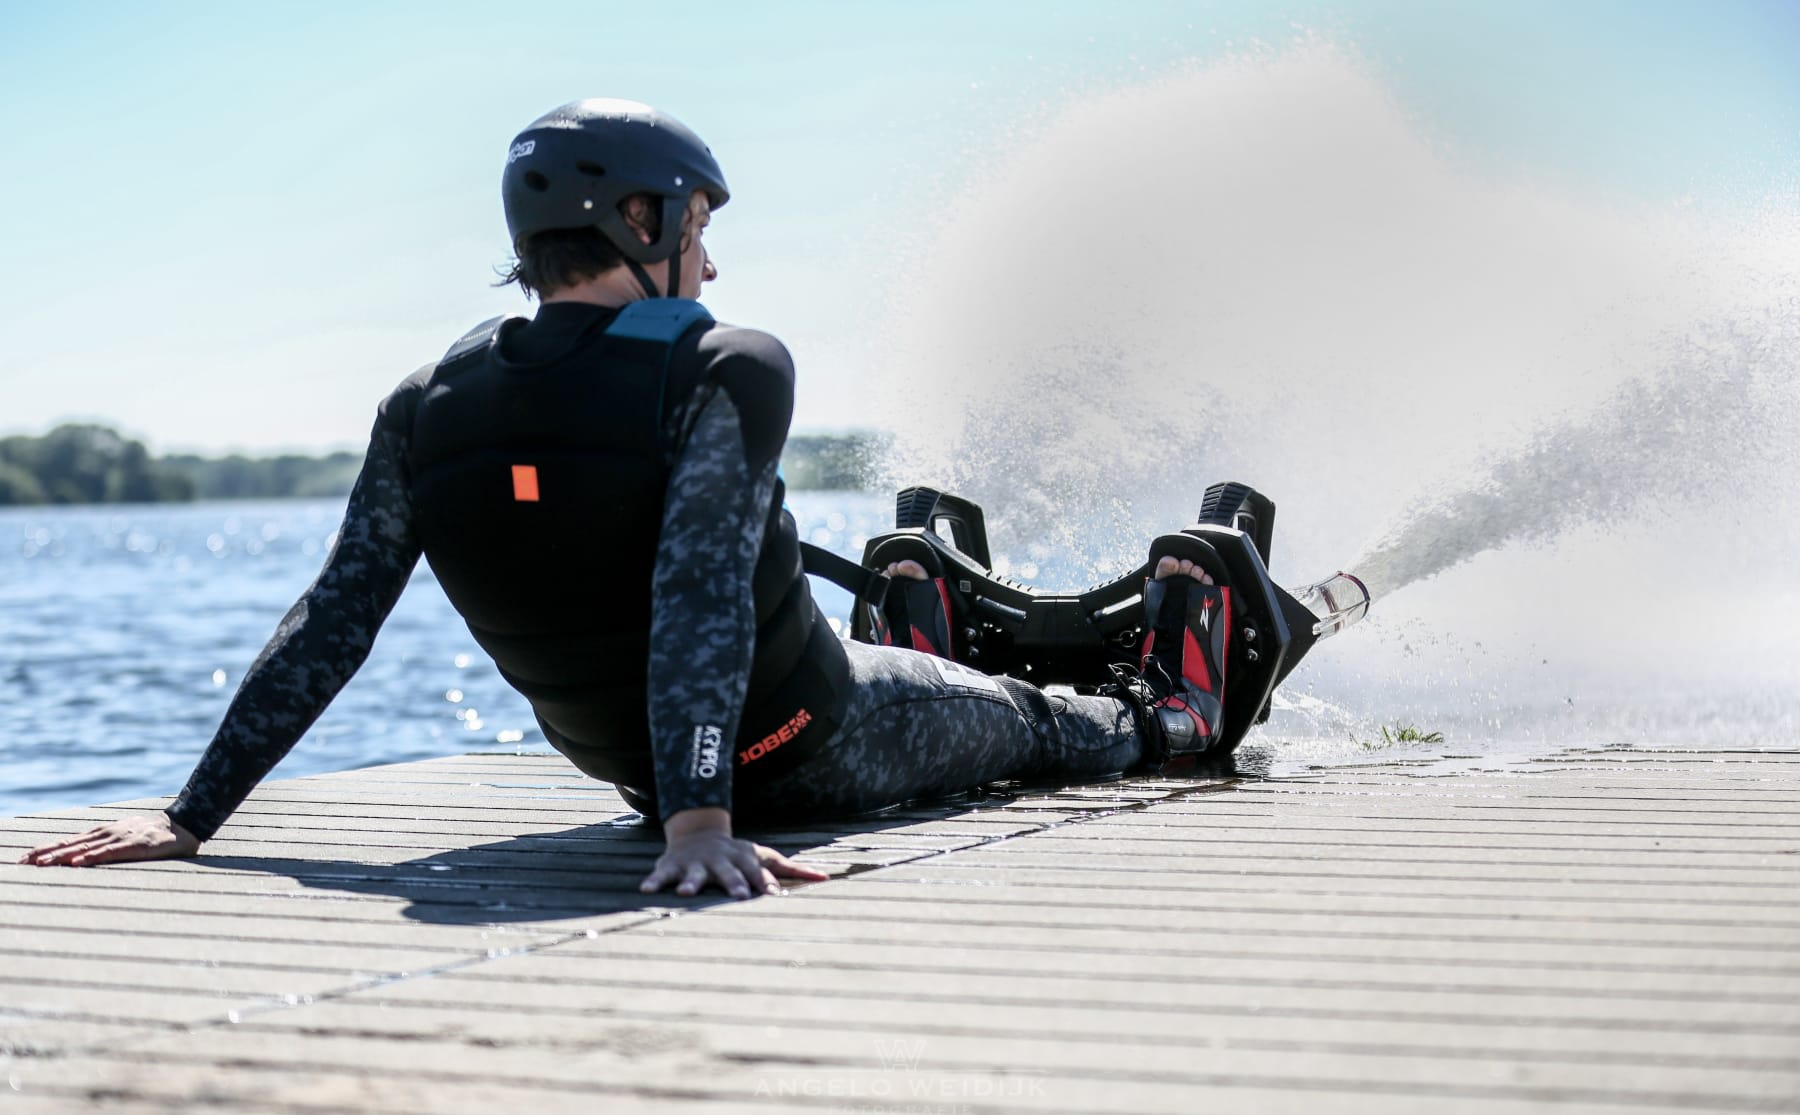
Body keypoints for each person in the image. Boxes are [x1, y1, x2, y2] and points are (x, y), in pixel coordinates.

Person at [22, 100, 1230, 900]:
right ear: (640, 220)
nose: (711, 258)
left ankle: (922, 640)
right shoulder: (724, 365)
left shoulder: (424, 401)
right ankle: (1172, 710)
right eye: (697, 225)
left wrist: (193, 814)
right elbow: (696, 587)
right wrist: (704, 823)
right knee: (1033, 721)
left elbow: (335, 615)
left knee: (905, 675)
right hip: (815, 741)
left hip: (649, 773)